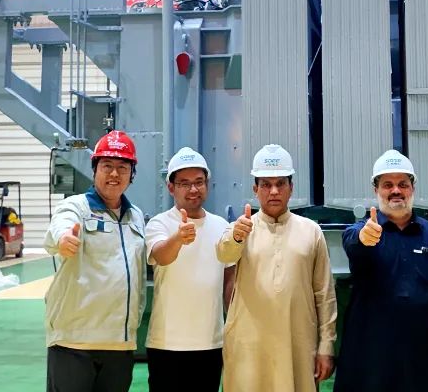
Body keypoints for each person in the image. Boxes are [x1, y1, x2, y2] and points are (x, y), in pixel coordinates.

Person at [334, 149, 428, 392]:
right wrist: (363, 237)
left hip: (427, 358)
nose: (396, 190)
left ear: (413, 188)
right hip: (371, 359)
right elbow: (352, 242)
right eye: (387, 185)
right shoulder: (363, 231)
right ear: (376, 190)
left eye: (403, 184)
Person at [215, 144, 338, 392]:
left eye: (280, 184)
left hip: (297, 344)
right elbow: (224, 253)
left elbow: (324, 294)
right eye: (265, 184)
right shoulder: (241, 228)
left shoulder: (311, 231)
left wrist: (326, 345)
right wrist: (237, 237)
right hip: (249, 347)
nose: (273, 191)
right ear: (255, 189)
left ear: (291, 187)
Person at [43, 129, 147, 392]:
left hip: (120, 344)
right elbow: (61, 225)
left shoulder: (135, 216)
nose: (114, 174)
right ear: (95, 170)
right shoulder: (76, 207)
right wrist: (64, 238)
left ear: (132, 175)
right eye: (107, 166)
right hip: (74, 343)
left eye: (123, 167)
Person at [145, 147, 235, 392]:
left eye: (199, 182)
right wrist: (178, 239)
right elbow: (161, 256)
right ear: (171, 187)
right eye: (184, 183)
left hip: (210, 343)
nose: (193, 189)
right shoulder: (159, 223)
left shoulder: (221, 226)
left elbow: (229, 281)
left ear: (207, 184)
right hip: (166, 343)